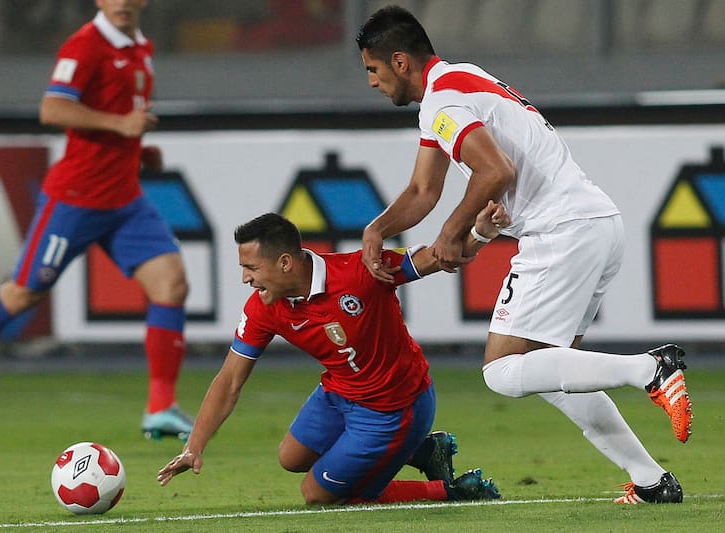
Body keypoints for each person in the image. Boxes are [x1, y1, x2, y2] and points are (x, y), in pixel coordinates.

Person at [355, 5, 692, 505]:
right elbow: (423, 190)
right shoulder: (461, 78)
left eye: (373, 70)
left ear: (400, 61)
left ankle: (649, 369)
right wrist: (377, 229)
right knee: (554, 370)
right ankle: (650, 480)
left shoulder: (441, 102)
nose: (372, 83)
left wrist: (454, 230)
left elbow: (497, 171)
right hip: (597, 223)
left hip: (560, 233)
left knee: (503, 372)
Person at [0, 0, 194, 441]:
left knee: (172, 282)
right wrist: (120, 126)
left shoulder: (140, 45)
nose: (124, 2)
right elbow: (52, 109)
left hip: (124, 198)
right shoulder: (84, 46)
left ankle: (160, 407)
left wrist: (137, 149)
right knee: (23, 294)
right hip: (76, 199)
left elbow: (123, 116)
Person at [157, 209, 509, 505]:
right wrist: (194, 446)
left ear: (284, 263)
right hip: (340, 393)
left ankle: (453, 492)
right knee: (290, 458)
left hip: (394, 407)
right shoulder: (265, 307)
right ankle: (425, 452)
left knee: (317, 494)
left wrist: (481, 232)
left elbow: (435, 257)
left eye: (251, 267)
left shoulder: (360, 272)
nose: (245, 278)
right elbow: (230, 380)